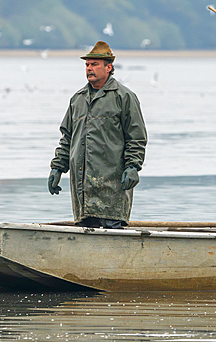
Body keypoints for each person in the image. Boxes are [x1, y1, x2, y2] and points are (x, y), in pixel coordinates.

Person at [48, 41, 147, 229]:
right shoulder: (77, 99)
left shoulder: (124, 97)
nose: (89, 69)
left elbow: (136, 137)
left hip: (113, 186)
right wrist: (57, 168)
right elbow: (67, 139)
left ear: (108, 67)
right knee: (85, 232)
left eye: (94, 64)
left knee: (113, 230)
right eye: (87, 65)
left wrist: (133, 166)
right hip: (82, 191)